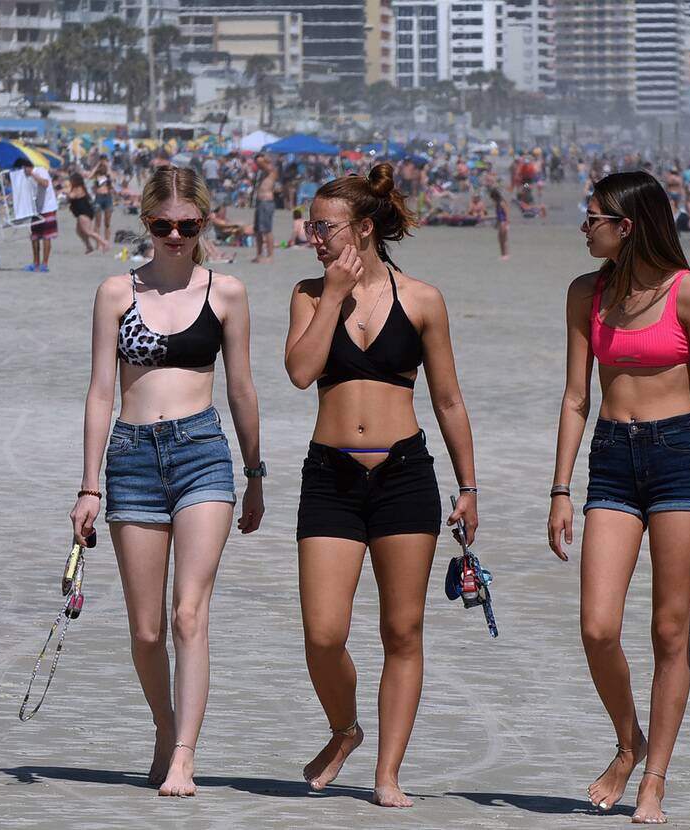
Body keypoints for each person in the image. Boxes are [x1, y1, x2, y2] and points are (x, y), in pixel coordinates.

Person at [283, 163, 479, 808]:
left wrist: (468, 485)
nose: (314, 236)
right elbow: (301, 373)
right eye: (312, 225)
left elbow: (448, 401)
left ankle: (388, 774)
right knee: (323, 633)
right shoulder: (310, 295)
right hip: (330, 477)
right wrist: (335, 294)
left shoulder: (422, 300)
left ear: (364, 229)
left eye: (325, 227)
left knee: (403, 631)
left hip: (404, 476)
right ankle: (345, 728)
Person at [69, 166, 263, 798]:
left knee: (188, 614)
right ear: (146, 223)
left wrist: (255, 473)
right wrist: (89, 485)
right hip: (130, 457)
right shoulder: (115, 293)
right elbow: (101, 390)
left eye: (187, 226)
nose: (175, 236)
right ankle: (164, 727)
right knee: (147, 628)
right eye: (162, 225)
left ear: (203, 224)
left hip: (202, 453)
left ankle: (185, 753)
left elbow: (241, 389)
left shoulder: (226, 293)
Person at [548, 171, 690, 825]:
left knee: (668, 629)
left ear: (626, 226)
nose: (583, 224)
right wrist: (561, 487)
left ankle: (653, 777)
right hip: (612, 462)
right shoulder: (586, 293)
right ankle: (628, 741)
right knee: (597, 626)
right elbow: (577, 398)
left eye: (592, 215)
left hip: (681, 459)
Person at [12, 157, 62, 271]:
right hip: (35, 209)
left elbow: (45, 183)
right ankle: (35, 263)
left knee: (46, 236)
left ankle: (44, 264)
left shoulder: (40, 171)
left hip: (48, 207)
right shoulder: (26, 177)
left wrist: (32, 174)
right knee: (35, 236)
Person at [65, 172, 110, 255]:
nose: (70, 181)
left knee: (88, 231)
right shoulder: (76, 188)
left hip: (84, 212)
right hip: (80, 213)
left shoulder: (78, 188)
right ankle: (89, 246)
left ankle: (104, 243)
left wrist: (65, 191)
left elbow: (72, 196)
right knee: (79, 231)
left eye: (71, 180)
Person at [252, 154, 277, 264]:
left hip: (267, 202)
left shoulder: (271, 170)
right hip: (259, 202)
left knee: (267, 230)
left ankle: (270, 256)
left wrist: (264, 159)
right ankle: (259, 254)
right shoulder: (262, 173)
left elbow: (267, 165)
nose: (258, 164)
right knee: (257, 230)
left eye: (260, 162)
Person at [89, 157, 115, 242]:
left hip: (107, 198)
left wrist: (107, 166)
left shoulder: (108, 175)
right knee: (98, 222)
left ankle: (106, 242)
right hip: (98, 198)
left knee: (107, 223)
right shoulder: (96, 175)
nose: (103, 164)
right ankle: (98, 242)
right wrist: (97, 165)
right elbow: (89, 176)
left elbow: (113, 178)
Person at [489, 187, 510, 260]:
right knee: (500, 239)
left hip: (503, 222)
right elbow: (498, 216)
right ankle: (503, 254)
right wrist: (496, 224)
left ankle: (506, 255)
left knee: (503, 239)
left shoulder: (502, 203)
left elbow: (507, 213)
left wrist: (507, 224)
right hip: (501, 222)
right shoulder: (498, 203)